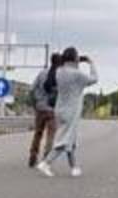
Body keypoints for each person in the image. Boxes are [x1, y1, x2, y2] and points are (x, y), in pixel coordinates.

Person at [36, 47, 99, 178]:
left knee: (70, 139)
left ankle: (74, 167)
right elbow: (94, 78)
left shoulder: (59, 71)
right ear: (75, 58)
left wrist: (76, 62)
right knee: (64, 140)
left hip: (60, 109)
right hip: (72, 111)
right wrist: (91, 62)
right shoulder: (77, 74)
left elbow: (66, 71)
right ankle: (46, 163)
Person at [28, 53, 63, 168]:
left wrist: (35, 104)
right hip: (53, 110)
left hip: (40, 108)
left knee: (38, 134)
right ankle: (46, 158)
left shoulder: (42, 73)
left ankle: (33, 155)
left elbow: (32, 90)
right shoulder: (61, 76)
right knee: (50, 136)